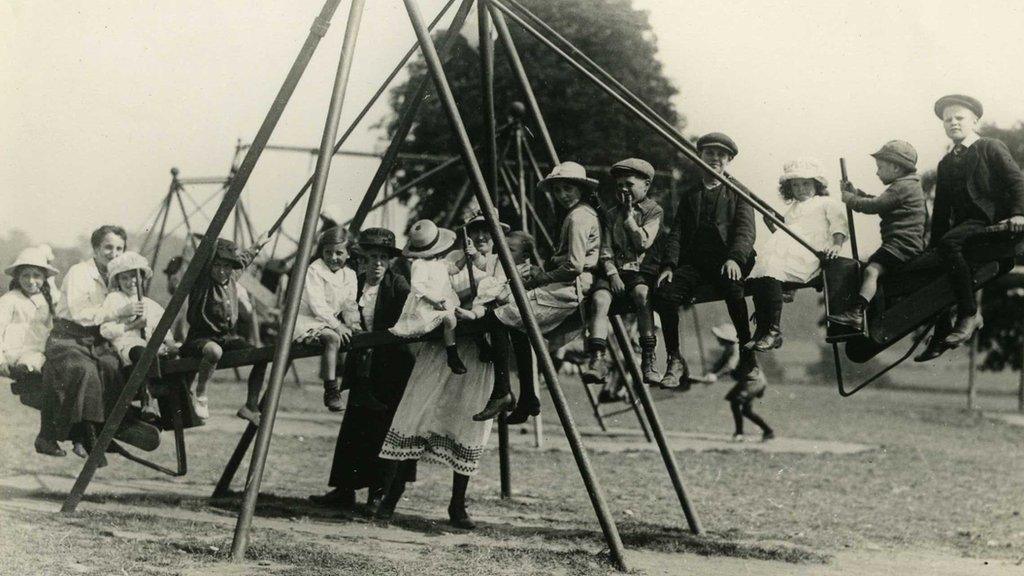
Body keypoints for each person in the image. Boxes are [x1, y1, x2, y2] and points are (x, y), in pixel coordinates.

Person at [311, 228, 417, 514]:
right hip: (362, 370)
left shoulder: (398, 286)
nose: (377, 264)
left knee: (384, 431)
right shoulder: (353, 285)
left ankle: (379, 493)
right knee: (355, 428)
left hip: (391, 369)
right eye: (372, 258)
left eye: (383, 258)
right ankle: (344, 490)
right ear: (362, 260)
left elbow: (413, 318)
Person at [914, 95, 1024, 360]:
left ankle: (969, 314)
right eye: (947, 119)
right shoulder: (947, 162)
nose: (953, 123)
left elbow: (1017, 182)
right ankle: (941, 334)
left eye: (959, 118)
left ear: (974, 120)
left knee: (950, 244)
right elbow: (941, 211)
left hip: (991, 220)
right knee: (938, 257)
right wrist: (932, 248)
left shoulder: (990, 147)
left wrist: (1019, 214)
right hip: (966, 228)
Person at [653, 133, 758, 389]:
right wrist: (669, 266)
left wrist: (735, 258)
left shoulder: (739, 193)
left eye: (721, 155)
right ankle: (674, 360)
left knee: (734, 289)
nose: (715, 159)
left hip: (727, 261)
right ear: (700, 156)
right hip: (696, 264)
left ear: (729, 160)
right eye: (709, 153)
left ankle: (747, 354)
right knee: (666, 294)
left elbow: (746, 232)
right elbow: (677, 232)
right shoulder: (690, 196)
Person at [40, 225, 133, 464]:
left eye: (119, 248)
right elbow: (80, 314)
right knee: (85, 370)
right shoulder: (79, 273)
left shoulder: (119, 276)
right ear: (95, 249)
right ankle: (84, 435)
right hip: (68, 336)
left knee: (113, 366)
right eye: (108, 247)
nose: (114, 253)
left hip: (98, 337)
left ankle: (104, 431)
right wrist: (117, 312)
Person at [746, 158, 847, 350]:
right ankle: (763, 329)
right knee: (761, 272)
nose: (801, 189)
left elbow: (839, 224)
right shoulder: (791, 210)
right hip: (791, 251)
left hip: (811, 251)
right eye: (796, 185)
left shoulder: (826, 203)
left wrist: (837, 244)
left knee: (771, 269)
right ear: (789, 188)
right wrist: (772, 226)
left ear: (816, 184)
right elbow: (786, 239)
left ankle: (773, 331)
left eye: (806, 183)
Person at [581, 158, 664, 386]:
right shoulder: (610, 213)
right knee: (599, 299)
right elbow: (604, 247)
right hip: (614, 271)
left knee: (642, 296)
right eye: (620, 186)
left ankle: (648, 359)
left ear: (645, 186)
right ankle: (597, 358)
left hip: (638, 269)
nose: (624, 190)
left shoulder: (653, 211)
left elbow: (642, 243)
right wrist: (612, 274)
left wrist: (628, 218)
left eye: (629, 184)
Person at [493, 162, 601, 334]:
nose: (562, 195)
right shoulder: (576, 213)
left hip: (573, 287)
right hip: (567, 283)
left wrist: (540, 279)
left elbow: (575, 266)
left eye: (568, 188)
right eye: (557, 190)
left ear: (580, 189)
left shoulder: (579, 217)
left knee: (505, 312)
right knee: (506, 304)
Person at [828, 141, 926, 330]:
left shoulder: (901, 187)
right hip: (903, 243)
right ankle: (865, 312)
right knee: (872, 271)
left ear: (896, 168)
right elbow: (880, 201)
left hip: (902, 245)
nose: (877, 172)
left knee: (871, 271)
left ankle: (857, 313)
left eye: (880, 167)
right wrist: (856, 193)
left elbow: (874, 206)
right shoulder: (906, 185)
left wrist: (850, 199)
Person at [181, 234, 269, 423]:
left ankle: (250, 406)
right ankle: (201, 394)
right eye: (218, 266)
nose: (222, 271)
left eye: (227, 267)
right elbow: (206, 258)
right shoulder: (202, 281)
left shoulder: (232, 277)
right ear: (211, 265)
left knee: (261, 355)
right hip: (200, 338)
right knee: (214, 351)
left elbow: (244, 260)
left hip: (225, 337)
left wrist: (257, 246)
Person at [293, 226, 359, 412]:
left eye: (339, 253)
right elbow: (317, 305)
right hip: (307, 320)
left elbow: (349, 305)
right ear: (321, 251)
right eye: (328, 252)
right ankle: (331, 390)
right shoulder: (315, 270)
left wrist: (354, 324)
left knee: (357, 338)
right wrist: (338, 326)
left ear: (348, 254)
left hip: (328, 321)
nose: (333, 257)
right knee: (333, 338)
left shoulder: (350, 275)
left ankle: (358, 383)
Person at [389, 220, 466, 375]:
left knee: (461, 317)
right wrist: (434, 301)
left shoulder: (442, 263)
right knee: (450, 319)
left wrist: (467, 256)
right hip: (427, 306)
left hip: (444, 302)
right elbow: (417, 287)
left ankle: (478, 347)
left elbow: (455, 269)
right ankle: (452, 354)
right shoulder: (420, 265)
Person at [99, 252, 178, 365]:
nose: (130, 282)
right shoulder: (114, 299)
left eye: (134, 276)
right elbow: (105, 331)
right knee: (142, 354)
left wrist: (171, 345)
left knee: (176, 355)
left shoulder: (151, 304)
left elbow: (164, 330)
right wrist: (132, 326)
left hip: (153, 347)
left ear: (141, 278)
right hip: (128, 347)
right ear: (118, 281)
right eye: (124, 278)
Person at [0, 247, 60, 382]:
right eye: (25, 275)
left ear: (45, 278)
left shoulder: (49, 299)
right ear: (17, 277)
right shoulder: (10, 299)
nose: (31, 281)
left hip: (39, 352)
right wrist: (1, 361)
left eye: (37, 276)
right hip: (13, 352)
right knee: (29, 367)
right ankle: (23, 372)